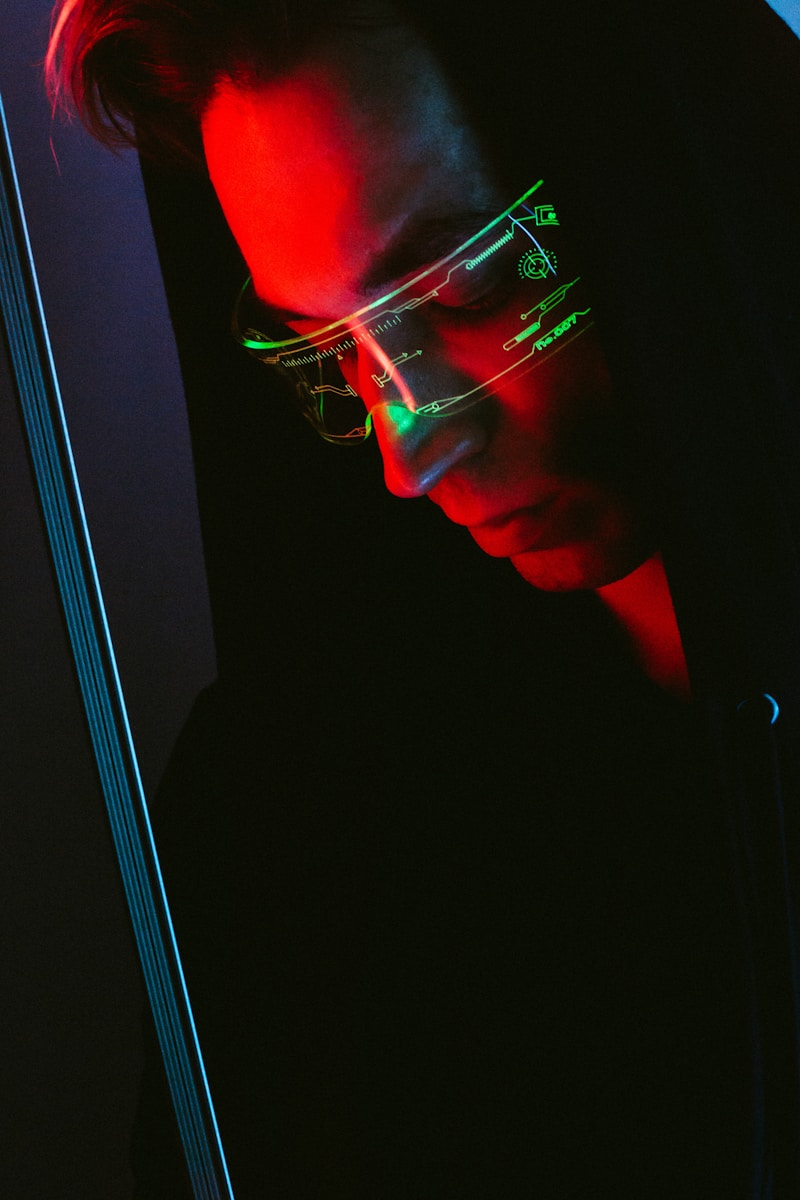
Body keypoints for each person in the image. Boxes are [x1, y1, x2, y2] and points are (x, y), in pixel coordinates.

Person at [46, 1, 800, 1195]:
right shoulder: (300, 835)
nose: (410, 456)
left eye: (471, 289)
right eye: (329, 349)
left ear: (668, 182)